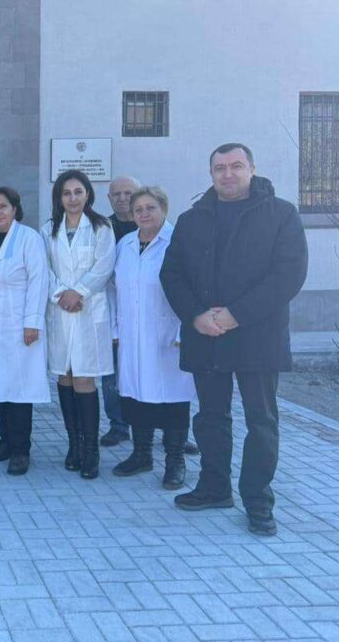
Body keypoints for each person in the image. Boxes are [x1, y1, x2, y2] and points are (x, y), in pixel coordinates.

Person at [161, 143, 307, 536]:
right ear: (211, 173)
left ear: (252, 169)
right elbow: (172, 274)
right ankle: (214, 487)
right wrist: (196, 315)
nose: (228, 174)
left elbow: (288, 275)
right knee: (210, 417)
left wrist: (235, 315)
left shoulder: (281, 214)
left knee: (261, 421)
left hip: (258, 336)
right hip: (205, 335)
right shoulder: (192, 219)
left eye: (236, 166)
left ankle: (258, 501)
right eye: (220, 168)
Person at [111, 186, 195, 489]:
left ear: (164, 209)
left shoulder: (178, 242)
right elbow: (115, 290)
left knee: (173, 399)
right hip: (132, 335)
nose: (144, 214)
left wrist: (186, 330)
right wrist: (116, 329)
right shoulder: (125, 244)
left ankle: (175, 461)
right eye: (138, 209)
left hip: (168, 336)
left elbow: (192, 289)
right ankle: (141, 454)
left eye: (150, 208)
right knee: (135, 397)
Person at [43, 169, 115, 480]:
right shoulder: (48, 229)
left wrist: (79, 292)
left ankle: (91, 451)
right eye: (66, 193)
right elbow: (44, 269)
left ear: (88, 194)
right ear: (59, 197)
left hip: (87, 311)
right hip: (61, 311)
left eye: (78, 192)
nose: (72, 198)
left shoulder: (101, 227)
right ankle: (74, 445)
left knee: (84, 378)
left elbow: (104, 267)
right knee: (65, 376)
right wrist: (61, 294)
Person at [0, 187, 48, 476]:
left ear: (15, 208)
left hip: (19, 325)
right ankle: (5, 441)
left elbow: (39, 281)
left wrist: (33, 322)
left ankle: (21, 450)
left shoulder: (29, 239)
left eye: (3, 206)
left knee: (19, 387)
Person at [99, 175, 140, 447]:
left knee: (153, 371)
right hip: (112, 311)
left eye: (128, 193)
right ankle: (118, 425)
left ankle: (168, 428)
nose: (123, 198)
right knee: (112, 373)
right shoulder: (103, 229)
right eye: (117, 194)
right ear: (109, 199)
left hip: (147, 313)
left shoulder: (151, 224)